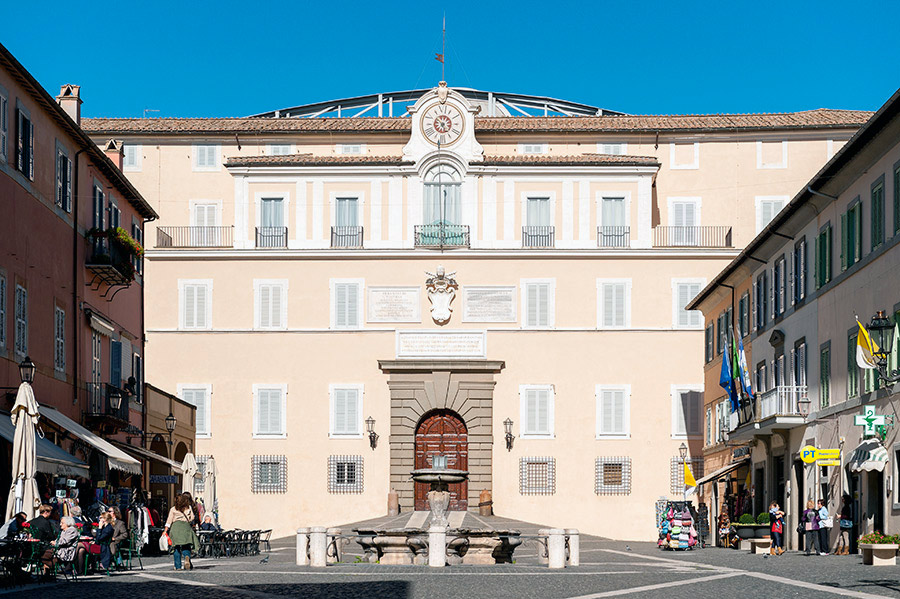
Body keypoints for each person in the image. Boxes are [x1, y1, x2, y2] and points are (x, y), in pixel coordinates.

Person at [165, 493, 199, 570]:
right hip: (185, 527)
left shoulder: (173, 509)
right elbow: (192, 518)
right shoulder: (188, 508)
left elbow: (169, 521)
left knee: (176, 547)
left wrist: (165, 531)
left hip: (175, 528)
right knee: (186, 545)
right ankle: (187, 557)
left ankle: (178, 566)